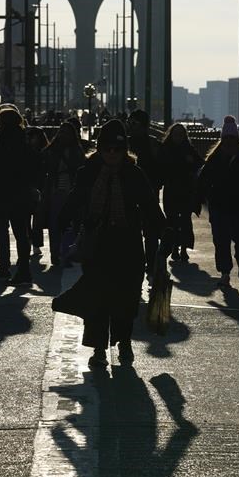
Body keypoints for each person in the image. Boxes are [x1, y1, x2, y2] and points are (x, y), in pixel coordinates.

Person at [53, 119, 165, 368]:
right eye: (107, 149)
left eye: (117, 149)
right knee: (98, 300)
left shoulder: (134, 174)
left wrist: (165, 232)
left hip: (128, 245)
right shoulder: (89, 172)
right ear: (100, 149)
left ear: (125, 150)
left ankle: (124, 343)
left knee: (126, 300)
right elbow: (75, 198)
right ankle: (99, 349)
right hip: (98, 245)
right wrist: (61, 222)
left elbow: (149, 205)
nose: (111, 154)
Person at [197, 115, 239, 287]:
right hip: (220, 205)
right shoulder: (215, 159)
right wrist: (202, 195)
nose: (229, 142)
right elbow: (203, 179)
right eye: (227, 139)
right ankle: (225, 272)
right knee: (221, 240)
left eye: (232, 138)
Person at [0, 104, 40, 285]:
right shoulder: (23, 140)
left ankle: (5, 268)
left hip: (4, 192)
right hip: (19, 192)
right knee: (20, 232)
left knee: (2, 230)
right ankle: (22, 270)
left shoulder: (2, 140)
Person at [42, 122, 86, 266]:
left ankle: (64, 254)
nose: (63, 135)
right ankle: (58, 254)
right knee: (59, 224)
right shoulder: (56, 150)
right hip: (58, 190)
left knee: (64, 225)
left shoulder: (69, 150)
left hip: (68, 190)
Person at [126, 109, 163, 273]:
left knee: (150, 229)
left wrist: (158, 183)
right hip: (131, 192)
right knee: (133, 229)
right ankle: (140, 261)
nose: (131, 126)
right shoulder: (125, 143)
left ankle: (151, 261)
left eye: (134, 123)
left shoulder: (153, 143)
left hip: (149, 190)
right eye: (130, 122)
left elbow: (163, 166)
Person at [160, 123, 201, 261]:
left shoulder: (189, 149)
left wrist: (191, 162)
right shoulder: (165, 148)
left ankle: (182, 248)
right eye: (176, 134)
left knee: (184, 220)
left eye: (180, 134)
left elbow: (199, 163)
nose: (178, 137)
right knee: (171, 219)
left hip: (185, 189)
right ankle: (174, 248)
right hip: (171, 188)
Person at [26, 127, 50, 258]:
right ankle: (32, 243)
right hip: (31, 187)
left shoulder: (41, 153)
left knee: (37, 219)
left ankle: (35, 244)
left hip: (38, 187)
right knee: (29, 218)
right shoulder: (40, 152)